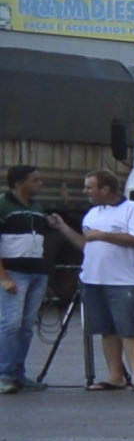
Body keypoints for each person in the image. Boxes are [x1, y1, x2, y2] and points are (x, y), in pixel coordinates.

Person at [74, 170, 134, 391]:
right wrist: (62, 227)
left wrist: (103, 235)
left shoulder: (132, 209)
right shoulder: (91, 214)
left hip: (123, 280)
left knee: (129, 329)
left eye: (90, 187)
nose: (85, 191)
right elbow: (87, 244)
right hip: (93, 278)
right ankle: (115, 375)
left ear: (105, 189)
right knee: (105, 329)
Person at [0, 167, 46, 391]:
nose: (41, 184)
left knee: (27, 325)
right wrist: (4, 277)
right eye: (35, 180)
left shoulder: (36, 207)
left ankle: (18, 372)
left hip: (37, 271)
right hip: (14, 272)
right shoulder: (3, 205)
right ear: (19, 183)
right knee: (11, 324)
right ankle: (4, 374)